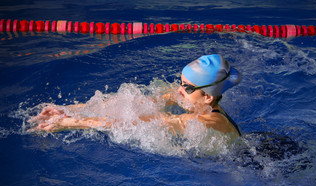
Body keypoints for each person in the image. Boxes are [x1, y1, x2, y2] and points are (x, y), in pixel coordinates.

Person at [28, 54, 242, 137]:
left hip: (243, 165)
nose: (179, 90)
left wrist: (71, 123)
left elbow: (134, 123)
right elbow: (129, 104)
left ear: (208, 97)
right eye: (181, 82)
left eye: (188, 88)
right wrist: (67, 110)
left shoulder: (208, 121)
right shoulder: (188, 98)